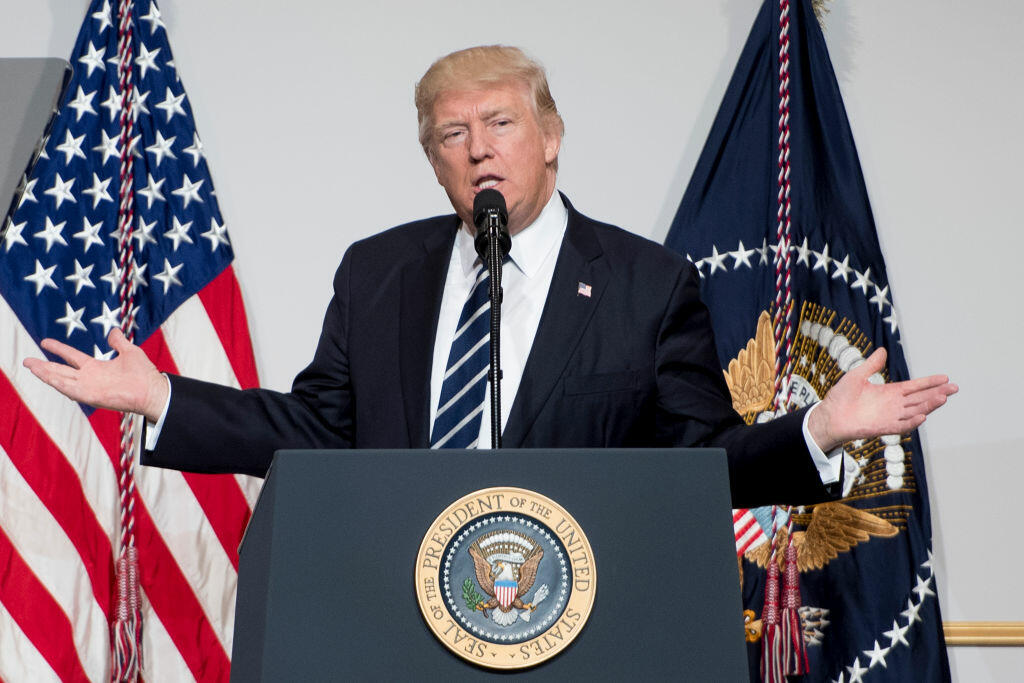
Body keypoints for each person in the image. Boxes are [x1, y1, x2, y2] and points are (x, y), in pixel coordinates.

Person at [22, 46, 957, 508]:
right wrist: (161, 395)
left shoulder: (645, 282)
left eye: (501, 125)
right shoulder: (379, 270)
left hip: (577, 615)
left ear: (550, 139)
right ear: (432, 160)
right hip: (397, 604)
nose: (478, 151)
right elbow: (317, 430)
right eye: (452, 135)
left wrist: (816, 430)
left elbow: (696, 465)